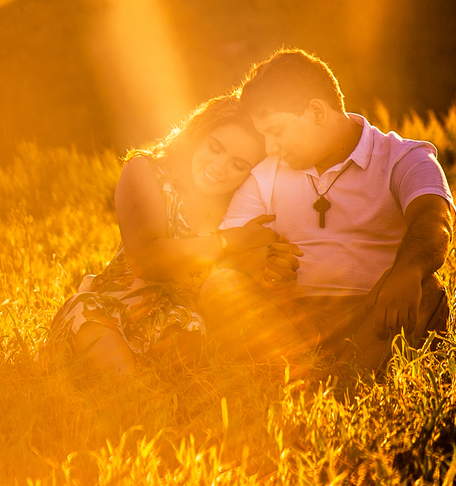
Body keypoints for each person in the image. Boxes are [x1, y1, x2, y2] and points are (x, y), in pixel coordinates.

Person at [201, 49, 455, 374]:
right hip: (291, 318)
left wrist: (407, 272)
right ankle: (309, 370)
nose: (269, 147)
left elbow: (434, 220)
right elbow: (233, 247)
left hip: (375, 307)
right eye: (264, 136)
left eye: (276, 131)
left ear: (317, 112)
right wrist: (255, 262)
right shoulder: (265, 173)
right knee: (220, 287)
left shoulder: (404, 157)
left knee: (427, 291)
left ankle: (342, 376)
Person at [43, 95, 288, 376]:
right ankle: (132, 395)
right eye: (215, 148)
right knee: (85, 309)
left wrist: (276, 263)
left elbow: (251, 268)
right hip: (111, 314)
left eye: (238, 164)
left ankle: (152, 390)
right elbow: (147, 258)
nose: (219, 167)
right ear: (198, 136)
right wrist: (229, 240)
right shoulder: (146, 171)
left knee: (188, 327)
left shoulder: (242, 206)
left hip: (180, 327)